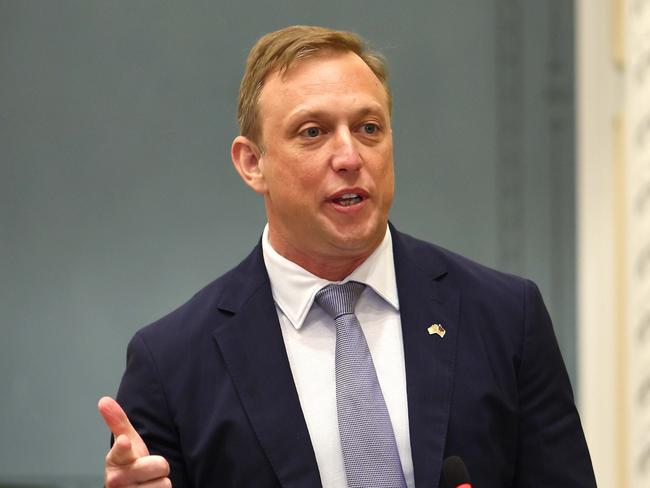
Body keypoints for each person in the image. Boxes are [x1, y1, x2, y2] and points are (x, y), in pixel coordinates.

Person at [98, 25, 596, 487]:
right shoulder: (172, 363)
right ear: (253, 164)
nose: (350, 157)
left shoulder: (507, 318)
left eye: (369, 128)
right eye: (313, 132)